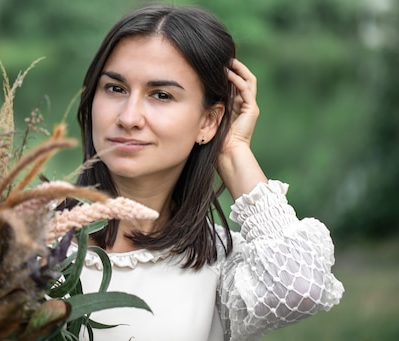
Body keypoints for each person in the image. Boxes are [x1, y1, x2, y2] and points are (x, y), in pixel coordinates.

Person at [63, 4, 344, 341]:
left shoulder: (219, 262)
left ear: (208, 122)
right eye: (116, 89)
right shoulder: (29, 240)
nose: (129, 117)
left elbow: (300, 288)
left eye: (161, 95)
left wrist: (233, 148)